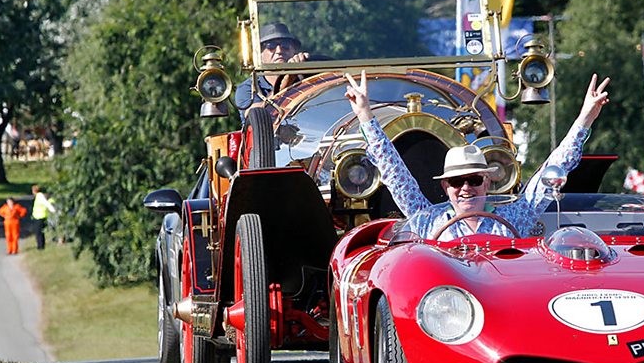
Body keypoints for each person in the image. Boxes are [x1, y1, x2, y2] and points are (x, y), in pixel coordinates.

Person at [344, 70, 610, 240]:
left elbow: (555, 167)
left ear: (487, 182)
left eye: (473, 179)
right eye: (458, 182)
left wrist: (585, 119)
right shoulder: (427, 219)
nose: (466, 188)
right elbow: (395, 174)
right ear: (446, 187)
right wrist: (366, 115)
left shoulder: (514, 216)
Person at [234, 22, 311, 121]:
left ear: (294, 51)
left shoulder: (308, 81)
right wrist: (286, 81)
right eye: (271, 46)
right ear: (260, 54)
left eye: (285, 45)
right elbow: (254, 115)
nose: (279, 50)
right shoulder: (248, 88)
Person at [31, 185, 56, 250]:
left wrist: (53, 210)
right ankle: (41, 245)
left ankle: (40, 246)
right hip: (39, 216)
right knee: (40, 232)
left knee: (38, 232)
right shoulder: (39, 196)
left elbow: (47, 204)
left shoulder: (39, 196)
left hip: (39, 217)